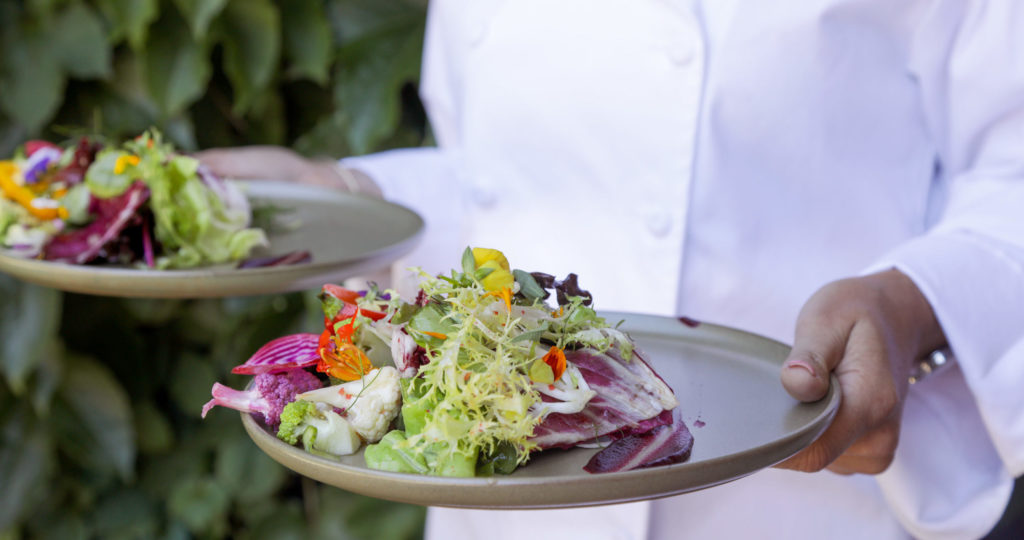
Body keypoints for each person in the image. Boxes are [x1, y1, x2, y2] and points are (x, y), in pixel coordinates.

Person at [199, 0, 1024, 538]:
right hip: (503, 504)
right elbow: (497, 178)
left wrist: (909, 304)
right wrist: (354, 192)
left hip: (803, 498)